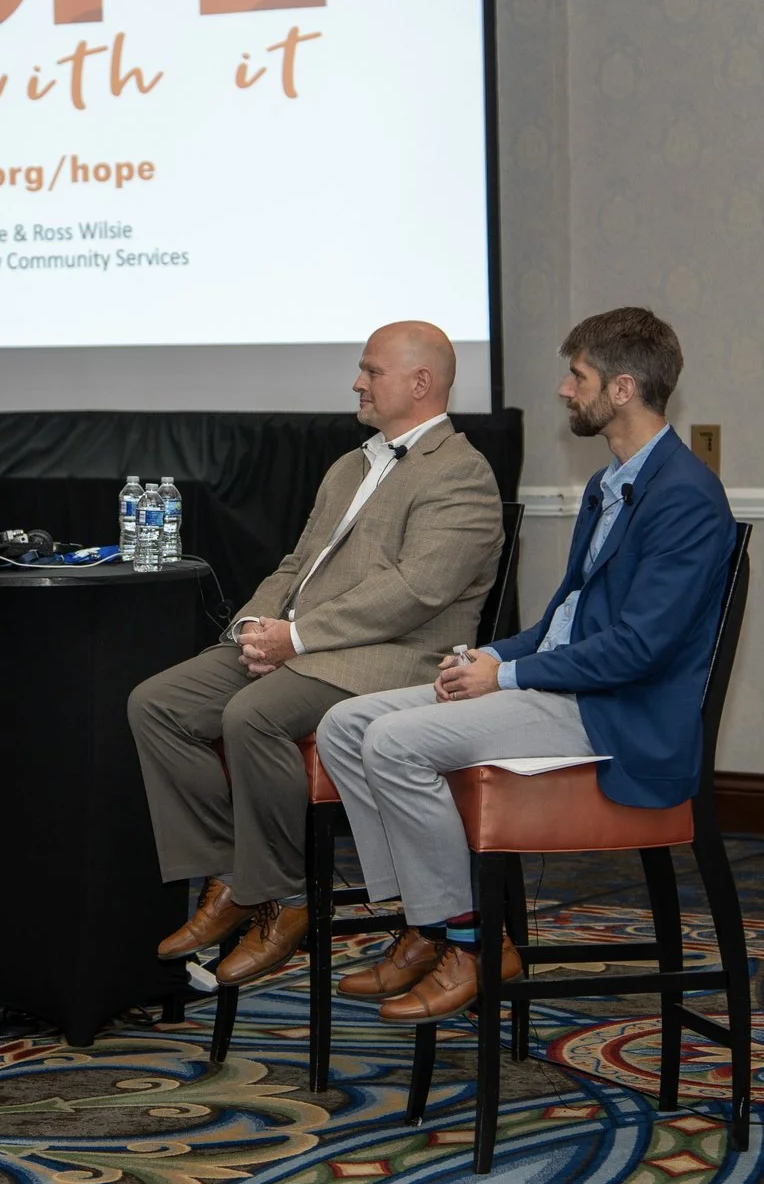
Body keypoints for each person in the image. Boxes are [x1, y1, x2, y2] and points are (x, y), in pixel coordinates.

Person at [316, 307, 734, 1022]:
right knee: (344, 725)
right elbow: (565, 623)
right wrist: (496, 653)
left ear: (623, 388)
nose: (565, 390)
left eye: (579, 377)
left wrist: (504, 677)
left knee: (392, 742)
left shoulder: (686, 496)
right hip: (567, 689)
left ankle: (471, 940)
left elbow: (640, 649)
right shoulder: (611, 483)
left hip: (616, 713)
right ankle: (428, 923)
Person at [130, 321, 504, 987]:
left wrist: (296, 638)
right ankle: (235, 877)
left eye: (372, 370)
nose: (358, 383)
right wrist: (255, 626)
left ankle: (288, 897)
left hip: (393, 659)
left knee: (253, 714)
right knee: (157, 705)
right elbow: (297, 564)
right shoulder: (349, 466)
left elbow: (414, 593)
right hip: (308, 646)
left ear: (420, 382)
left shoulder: (461, 473)